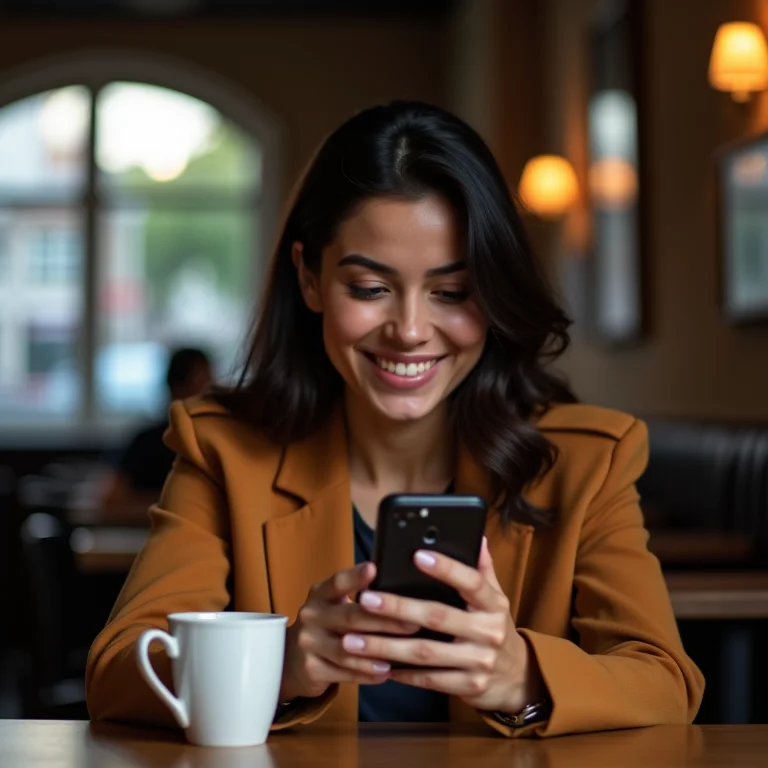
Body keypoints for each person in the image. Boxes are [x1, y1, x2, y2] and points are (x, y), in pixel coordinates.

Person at [86, 101, 704, 736]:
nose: (409, 330)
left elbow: (664, 682)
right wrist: (282, 665)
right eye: (370, 288)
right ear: (309, 278)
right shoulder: (224, 451)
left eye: (452, 292)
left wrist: (519, 674)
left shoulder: (588, 460)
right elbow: (116, 672)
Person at [96, 347, 212, 523]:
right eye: (201, 383)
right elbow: (111, 503)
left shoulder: (212, 444)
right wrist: (173, 507)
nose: (208, 393)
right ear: (176, 386)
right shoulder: (148, 443)